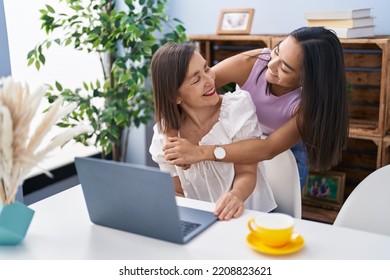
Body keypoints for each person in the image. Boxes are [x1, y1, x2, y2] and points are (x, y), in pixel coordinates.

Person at [163, 26, 349, 184]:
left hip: (283, 148)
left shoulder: (307, 106)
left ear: (308, 80)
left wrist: (200, 152)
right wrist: (171, 142)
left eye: (284, 68)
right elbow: (184, 93)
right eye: (276, 51)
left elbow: (268, 149)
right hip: (240, 135)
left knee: (279, 204)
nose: (271, 64)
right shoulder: (253, 63)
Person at [149, 42, 276, 221]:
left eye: (206, 69)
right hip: (205, 221)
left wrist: (235, 195)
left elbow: (247, 172)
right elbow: (177, 191)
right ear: (175, 96)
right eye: (196, 79)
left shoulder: (237, 109)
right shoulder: (164, 138)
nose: (210, 81)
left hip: (250, 216)